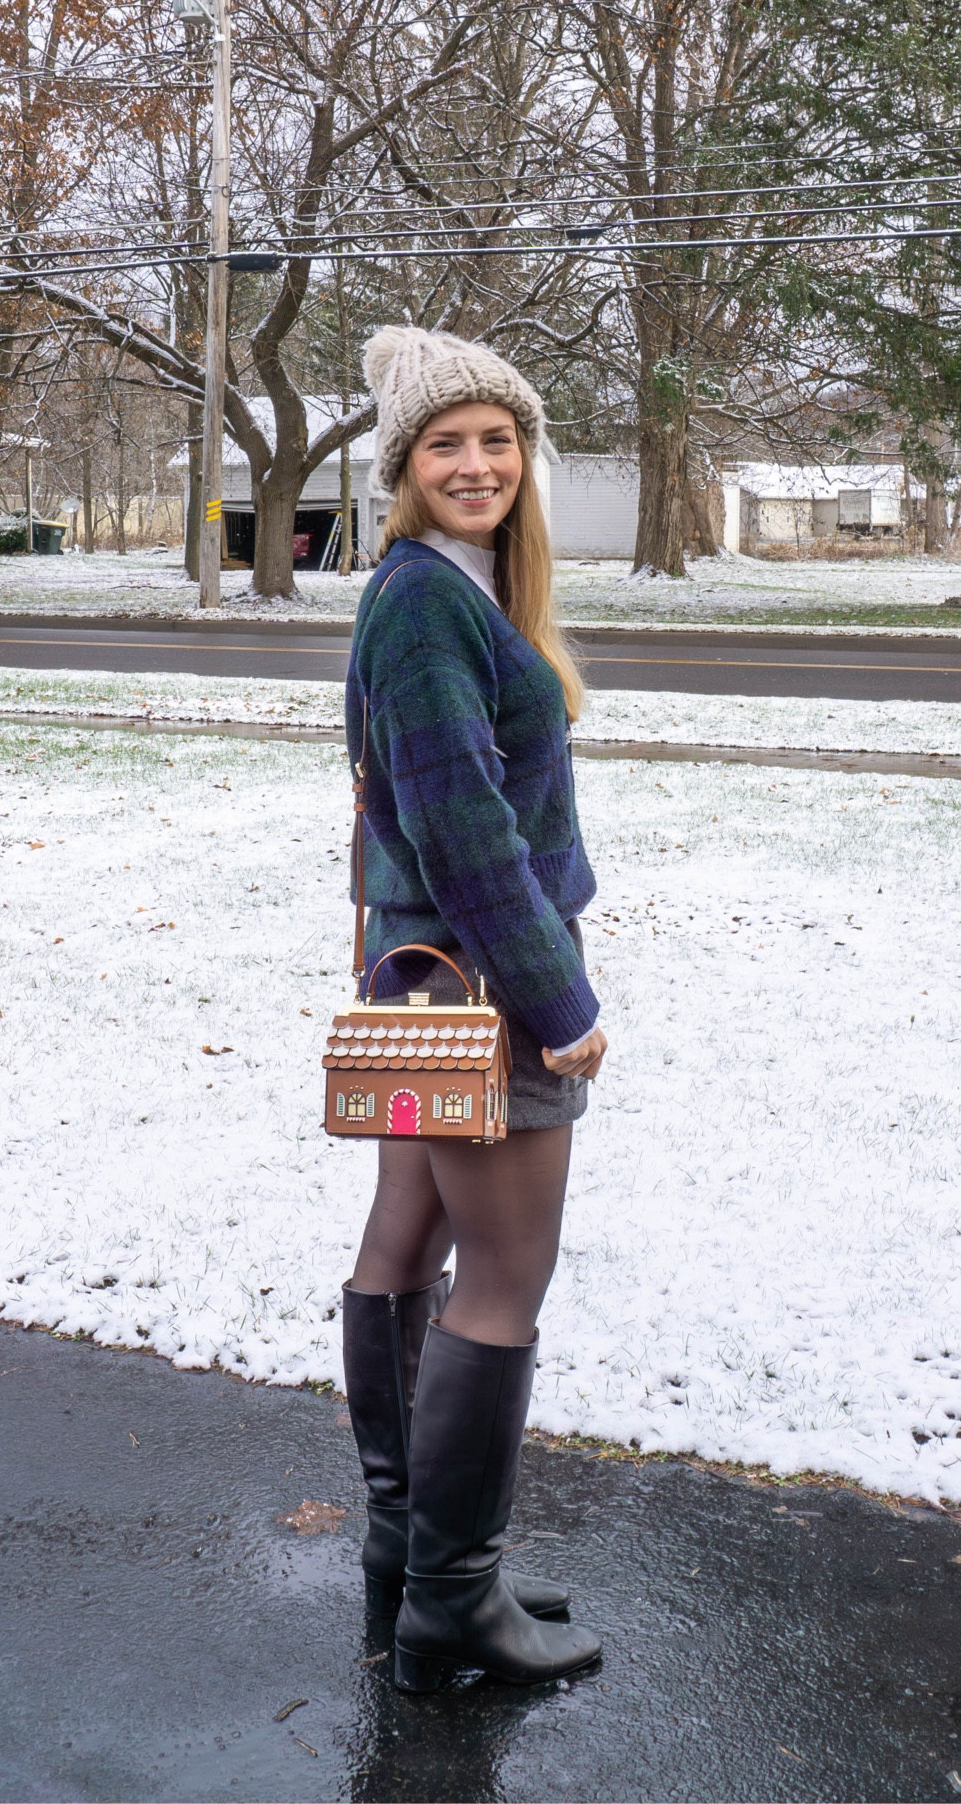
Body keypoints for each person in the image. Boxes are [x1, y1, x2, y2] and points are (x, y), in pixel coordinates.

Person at [339, 325, 606, 1694]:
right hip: (482, 979)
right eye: (445, 443)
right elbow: (461, 826)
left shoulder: (447, 588)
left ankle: (412, 1555)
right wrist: (558, 997)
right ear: (404, 466)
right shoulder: (427, 602)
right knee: (505, 1277)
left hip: (422, 978)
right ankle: (452, 1597)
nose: (477, 463)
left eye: (498, 438)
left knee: (407, 1239)